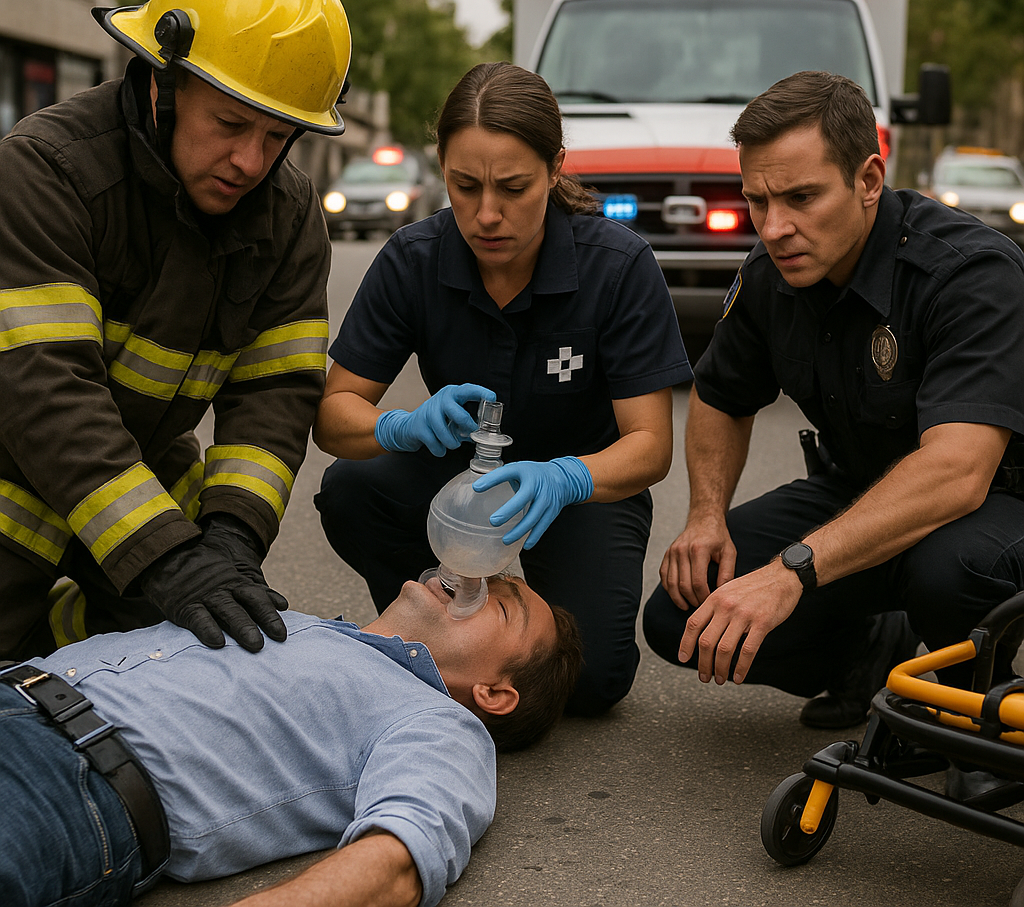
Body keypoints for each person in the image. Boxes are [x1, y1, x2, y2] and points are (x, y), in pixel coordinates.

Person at [0, 0, 351, 661]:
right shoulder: (44, 172)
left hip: (141, 490)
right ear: (163, 78)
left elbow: (276, 392)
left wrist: (230, 538)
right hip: (15, 489)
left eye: (277, 136)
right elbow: (46, 393)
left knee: (187, 664)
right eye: (228, 125)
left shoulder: (288, 215)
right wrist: (166, 559)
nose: (250, 162)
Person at [643, 70, 1024, 737]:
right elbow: (719, 396)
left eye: (801, 197)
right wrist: (707, 517)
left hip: (996, 507)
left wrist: (794, 572)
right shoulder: (772, 277)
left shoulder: (971, 274)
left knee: (950, 568)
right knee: (684, 608)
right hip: (862, 492)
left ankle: (975, 716)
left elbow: (959, 473)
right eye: (757, 201)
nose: (775, 227)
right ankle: (867, 654)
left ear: (869, 180)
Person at [313, 62, 691, 716]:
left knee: (592, 681)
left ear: (555, 169)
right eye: (465, 186)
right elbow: (333, 414)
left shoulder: (618, 266)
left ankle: (483, 626)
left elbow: (650, 447)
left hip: (581, 487)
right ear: (442, 170)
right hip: (460, 480)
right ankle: (431, 634)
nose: (487, 215)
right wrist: (396, 428)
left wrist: (566, 477)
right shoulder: (414, 258)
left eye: (513, 188)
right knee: (352, 489)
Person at [0, 572, 583, 907]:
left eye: (500, 604)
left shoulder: (436, 722)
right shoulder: (297, 619)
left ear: (495, 693)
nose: (473, 577)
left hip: (64, 782)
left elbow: (403, 856)